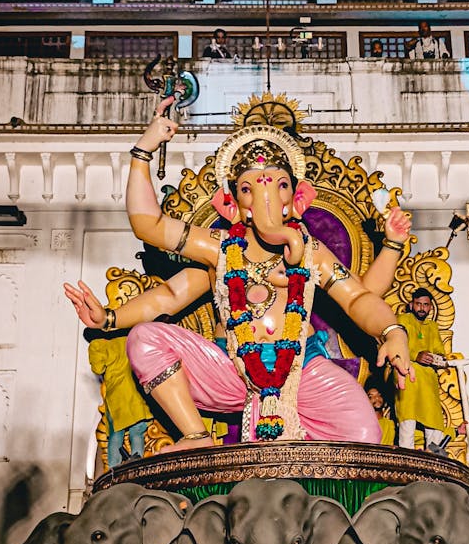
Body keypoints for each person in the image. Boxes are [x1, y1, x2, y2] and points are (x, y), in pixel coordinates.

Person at [122, 102, 413, 449]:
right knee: (144, 339)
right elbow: (148, 225)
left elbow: (358, 297)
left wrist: (393, 331)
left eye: (281, 186)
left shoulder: (311, 250)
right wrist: (143, 151)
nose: (266, 199)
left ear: (296, 198)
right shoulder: (217, 246)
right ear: (233, 204)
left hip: (301, 369)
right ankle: (196, 435)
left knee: (365, 436)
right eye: (249, 189)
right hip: (232, 367)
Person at [394, 289, 449, 453]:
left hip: (428, 381)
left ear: (431, 307)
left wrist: (438, 358)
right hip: (408, 376)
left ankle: (435, 463)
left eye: (426, 305)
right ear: (411, 305)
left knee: (434, 423)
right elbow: (396, 345)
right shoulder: (403, 320)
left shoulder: (432, 326)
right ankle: (407, 461)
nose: (422, 308)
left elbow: (440, 351)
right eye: (418, 304)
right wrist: (415, 355)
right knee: (407, 422)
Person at [86, 330, 151, 467]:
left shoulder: (97, 345)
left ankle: (113, 469)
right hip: (136, 393)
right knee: (137, 431)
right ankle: (137, 464)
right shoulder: (128, 339)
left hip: (117, 396)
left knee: (115, 435)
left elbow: (98, 369)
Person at [364, 373, 395, 445]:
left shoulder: (390, 424)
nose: (377, 398)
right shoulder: (364, 424)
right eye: (371, 396)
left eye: (379, 395)